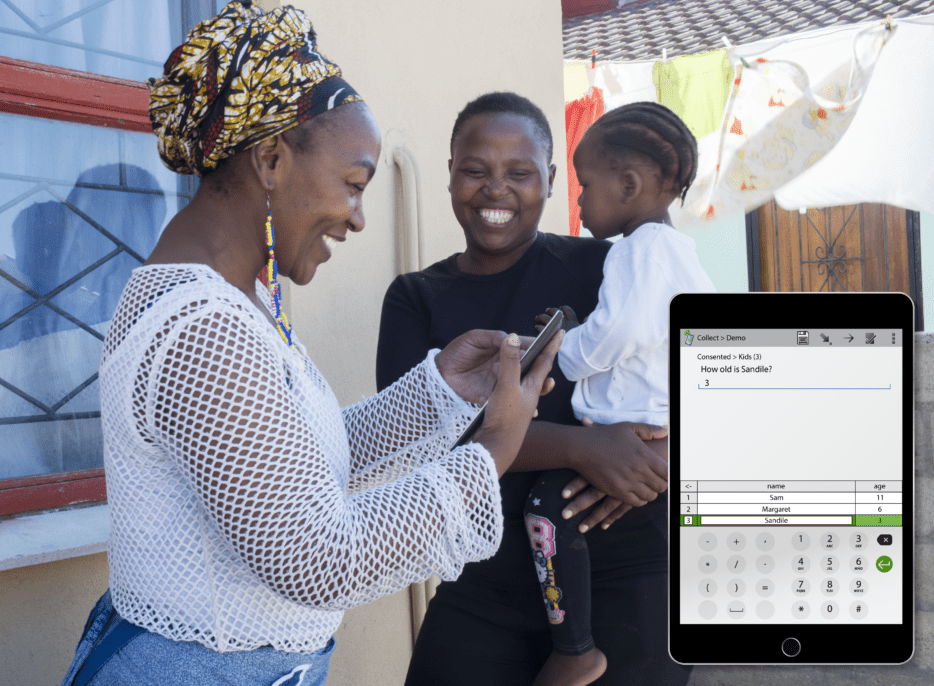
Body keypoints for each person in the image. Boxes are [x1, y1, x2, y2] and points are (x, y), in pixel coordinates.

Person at [58, 5, 560, 686]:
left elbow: (291, 473)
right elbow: (314, 554)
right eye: (354, 185)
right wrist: (495, 447)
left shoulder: (239, 302)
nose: (357, 216)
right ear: (269, 159)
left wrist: (442, 389)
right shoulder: (201, 329)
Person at [376, 92, 691, 686]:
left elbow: (706, 366)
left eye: (519, 173)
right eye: (475, 170)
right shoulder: (416, 297)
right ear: (449, 175)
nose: (497, 190)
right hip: (484, 584)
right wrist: (582, 448)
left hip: (629, 575)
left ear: (549, 180)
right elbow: (411, 440)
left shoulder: (609, 264)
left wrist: (665, 452)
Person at [523, 101, 715, 686]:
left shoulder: (637, 250)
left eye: (586, 186)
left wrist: (563, 351)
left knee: (545, 514)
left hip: (629, 434)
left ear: (629, 185)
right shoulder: (682, 256)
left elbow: (620, 332)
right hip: (658, 440)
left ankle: (575, 649)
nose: (578, 203)